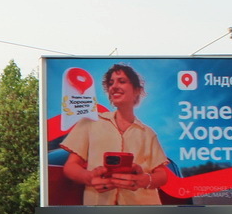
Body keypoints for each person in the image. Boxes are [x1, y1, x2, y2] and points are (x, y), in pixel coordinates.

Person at [59, 63, 170, 206]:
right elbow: (70, 166)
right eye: (111, 83)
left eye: (122, 81)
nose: (114, 87)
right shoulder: (90, 122)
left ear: (137, 90)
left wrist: (144, 180)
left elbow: (162, 175)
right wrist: (89, 177)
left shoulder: (148, 133)